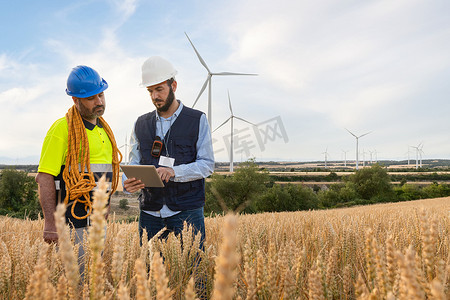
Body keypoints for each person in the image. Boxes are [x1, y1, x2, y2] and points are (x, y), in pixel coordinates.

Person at [35, 65, 122, 277]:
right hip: (71, 223)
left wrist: (106, 206)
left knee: (92, 278)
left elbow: (105, 176)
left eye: (101, 95)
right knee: (75, 281)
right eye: (91, 98)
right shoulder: (61, 129)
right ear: (76, 100)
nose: (99, 102)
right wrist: (50, 223)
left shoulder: (105, 130)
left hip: (97, 221)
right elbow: (44, 176)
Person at [123, 56, 214, 250]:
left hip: (187, 209)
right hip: (150, 211)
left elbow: (207, 164)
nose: (155, 96)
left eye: (159, 89)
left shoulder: (197, 119)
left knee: (194, 269)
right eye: (150, 91)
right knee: (149, 272)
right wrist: (128, 182)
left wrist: (175, 172)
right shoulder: (140, 123)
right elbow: (134, 163)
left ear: (174, 85)